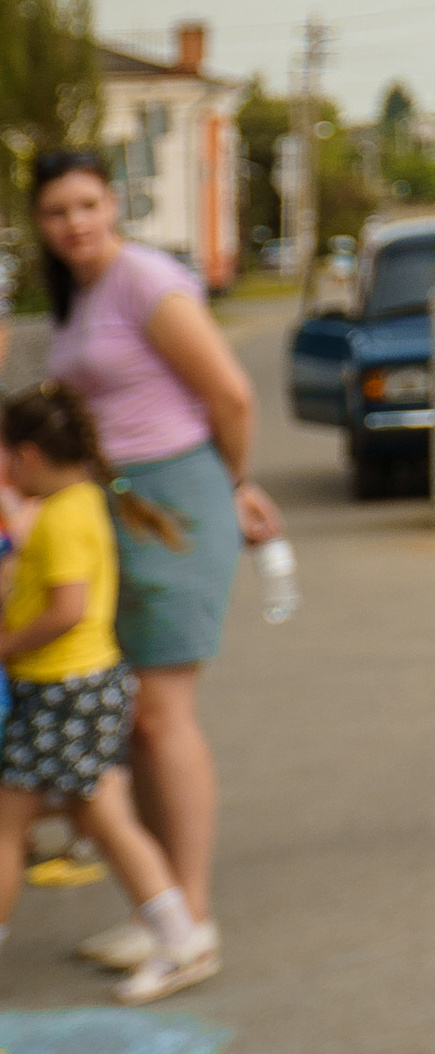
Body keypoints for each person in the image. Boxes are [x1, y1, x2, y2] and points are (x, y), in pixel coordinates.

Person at [32, 147, 281, 975]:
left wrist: (233, 482)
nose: (75, 223)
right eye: (58, 210)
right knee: (134, 719)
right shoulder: (79, 293)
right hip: (115, 511)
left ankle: (192, 921)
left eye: (88, 205)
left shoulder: (144, 280)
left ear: (114, 207)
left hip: (174, 505)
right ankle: (161, 907)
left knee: (158, 717)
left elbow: (231, 394)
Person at [0, 384, 215, 1001]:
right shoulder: (80, 502)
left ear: (30, 454)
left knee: (43, 824)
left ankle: (182, 939)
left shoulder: (63, 517)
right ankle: (181, 937)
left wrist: (7, 643)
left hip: (62, 690)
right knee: (94, 817)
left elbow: (67, 608)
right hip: (79, 689)